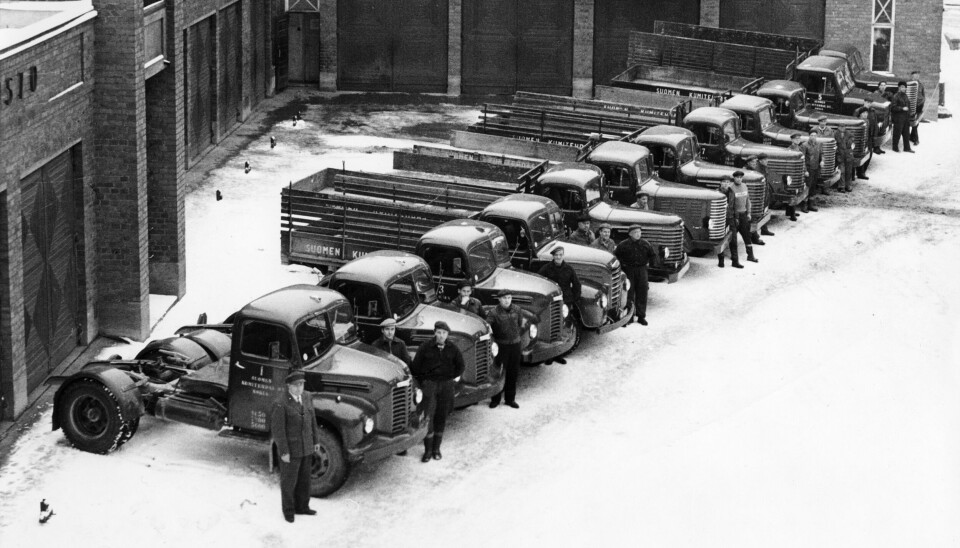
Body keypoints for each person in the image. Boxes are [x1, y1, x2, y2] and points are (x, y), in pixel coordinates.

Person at [409, 321, 464, 462]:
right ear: (434, 333)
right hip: (430, 386)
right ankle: (427, 451)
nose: (441, 336)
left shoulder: (453, 348)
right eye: (439, 332)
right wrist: (424, 382)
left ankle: (436, 449)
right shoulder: (425, 347)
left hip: (446, 386)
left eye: (444, 333)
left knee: (442, 415)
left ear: (447, 335)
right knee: (429, 415)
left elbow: (461, 366)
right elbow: (415, 368)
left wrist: (449, 377)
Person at [271, 370, 320, 523]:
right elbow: (278, 431)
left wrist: (316, 441)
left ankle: (303, 507)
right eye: (296, 385)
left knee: (305, 481)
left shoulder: (307, 397)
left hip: (306, 447)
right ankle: (288, 511)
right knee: (289, 482)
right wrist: (284, 451)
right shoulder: (280, 403)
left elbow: (312, 421)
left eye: (301, 384)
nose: (299, 388)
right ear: (288, 386)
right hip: (291, 451)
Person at [537, 247, 580, 365]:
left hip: (565, 301)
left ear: (563, 255)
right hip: (551, 304)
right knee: (551, 328)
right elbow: (539, 281)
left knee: (563, 327)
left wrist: (574, 299)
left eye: (560, 255)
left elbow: (577, 284)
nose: (558, 257)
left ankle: (559, 354)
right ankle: (549, 356)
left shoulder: (569, 269)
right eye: (556, 255)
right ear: (553, 256)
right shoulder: (546, 269)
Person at [486, 289, 524, 409]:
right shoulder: (493, 312)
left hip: (515, 346)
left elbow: (519, 324)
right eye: (504, 298)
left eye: (509, 298)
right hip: (501, 346)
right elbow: (488, 326)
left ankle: (510, 399)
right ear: (499, 299)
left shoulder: (517, 309)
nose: (507, 300)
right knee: (498, 372)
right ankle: (495, 399)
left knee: (513, 372)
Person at [614, 224, 658, 326]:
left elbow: (652, 256)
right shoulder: (623, 245)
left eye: (639, 232)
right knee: (628, 293)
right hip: (628, 270)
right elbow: (616, 256)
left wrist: (650, 268)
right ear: (630, 234)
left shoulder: (645, 244)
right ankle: (627, 317)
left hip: (642, 270)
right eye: (635, 232)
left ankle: (641, 316)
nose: (638, 234)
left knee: (642, 293)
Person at [718, 172, 757, 268]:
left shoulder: (734, 191)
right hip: (722, 219)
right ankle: (721, 261)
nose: (739, 179)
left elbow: (746, 201)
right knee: (722, 239)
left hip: (735, 216)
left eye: (740, 177)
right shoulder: (721, 191)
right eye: (724, 182)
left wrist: (747, 213)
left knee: (743, 236)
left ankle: (745, 258)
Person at [742, 153, 775, 244]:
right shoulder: (749, 172)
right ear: (748, 163)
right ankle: (754, 238)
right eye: (752, 162)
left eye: (755, 162)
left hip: (763, 194)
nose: (754, 163)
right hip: (754, 197)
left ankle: (764, 229)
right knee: (753, 218)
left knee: (762, 213)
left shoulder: (760, 169)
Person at [800, 130, 822, 211]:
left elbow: (822, 154)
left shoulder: (818, 144)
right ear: (809, 136)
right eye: (812, 135)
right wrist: (805, 170)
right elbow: (802, 159)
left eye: (815, 135)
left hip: (816, 169)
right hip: (808, 170)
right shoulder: (804, 145)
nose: (813, 137)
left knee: (813, 187)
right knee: (807, 187)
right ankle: (804, 205)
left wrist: (822, 160)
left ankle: (811, 204)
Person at [890, 81, 914, 153]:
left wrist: (910, 113)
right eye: (902, 87)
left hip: (906, 118)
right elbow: (893, 108)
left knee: (906, 134)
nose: (904, 88)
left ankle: (907, 148)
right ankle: (895, 147)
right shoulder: (896, 96)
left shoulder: (905, 96)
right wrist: (902, 108)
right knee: (897, 133)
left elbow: (908, 106)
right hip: (898, 118)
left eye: (905, 87)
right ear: (899, 87)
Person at [785, 134, 804, 221]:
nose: (798, 140)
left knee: (795, 191)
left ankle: (789, 211)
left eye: (799, 138)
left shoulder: (800, 148)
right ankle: (791, 214)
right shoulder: (789, 149)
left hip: (798, 172)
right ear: (792, 140)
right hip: (792, 173)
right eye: (796, 139)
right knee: (792, 192)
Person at [835, 126, 855, 193]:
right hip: (840, 155)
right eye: (840, 126)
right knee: (841, 171)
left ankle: (848, 185)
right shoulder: (835, 134)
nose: (842, 128)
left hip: (848, 155)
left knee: (849, 171)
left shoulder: (849, 134)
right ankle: (841, 186)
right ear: (838, 127)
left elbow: (852, 142)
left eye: (843, 126)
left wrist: (849, 143)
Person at [909, 70, 925, 146]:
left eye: (918, 75)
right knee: (913, 122)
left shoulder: (921, 85)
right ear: (912, 76)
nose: (917, 77)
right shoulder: (909, 84)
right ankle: (915, 139)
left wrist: (922, 103)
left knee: (916, 122)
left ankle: (913, 137)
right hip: (911, 106)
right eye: (915, 76)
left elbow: (923, 95)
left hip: (919, 106)